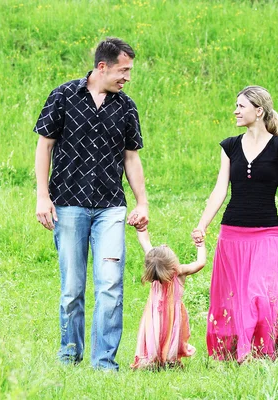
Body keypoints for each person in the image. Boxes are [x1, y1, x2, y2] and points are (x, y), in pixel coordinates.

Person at [34, 37, 148, 371]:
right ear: (103, 66)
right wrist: (43, 196)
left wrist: (142, 202)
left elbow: (131, 157)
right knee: (72, 288)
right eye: (123, 70)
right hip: (68, 204)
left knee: (110, 285)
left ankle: (104, 364)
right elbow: (45, 146)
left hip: (111, 207)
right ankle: (70, 356)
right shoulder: (64, 95)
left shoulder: (126, 107)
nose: (127, 77)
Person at [192, 85, 278, 362]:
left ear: (258, 111)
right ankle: (238, 352)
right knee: (232, 297)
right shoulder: (230, 146)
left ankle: (257, 350)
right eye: (236, 106)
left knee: (259, 294)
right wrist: (202, 225)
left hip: (267, 233)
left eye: (241, 106)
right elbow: (219, 190)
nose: (236, 111)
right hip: (232, 233)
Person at [130, 228, 206, 370]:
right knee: (173, 336)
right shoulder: (179, 272)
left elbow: (144, 241)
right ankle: (171, 360)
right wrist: (200, 245)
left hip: (154, 317)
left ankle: (151, 361)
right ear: (173, 264)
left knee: (154, 336)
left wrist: (141, 227)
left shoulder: (154, 267)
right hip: (173, 317)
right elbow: (200, 263)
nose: (165, 245)